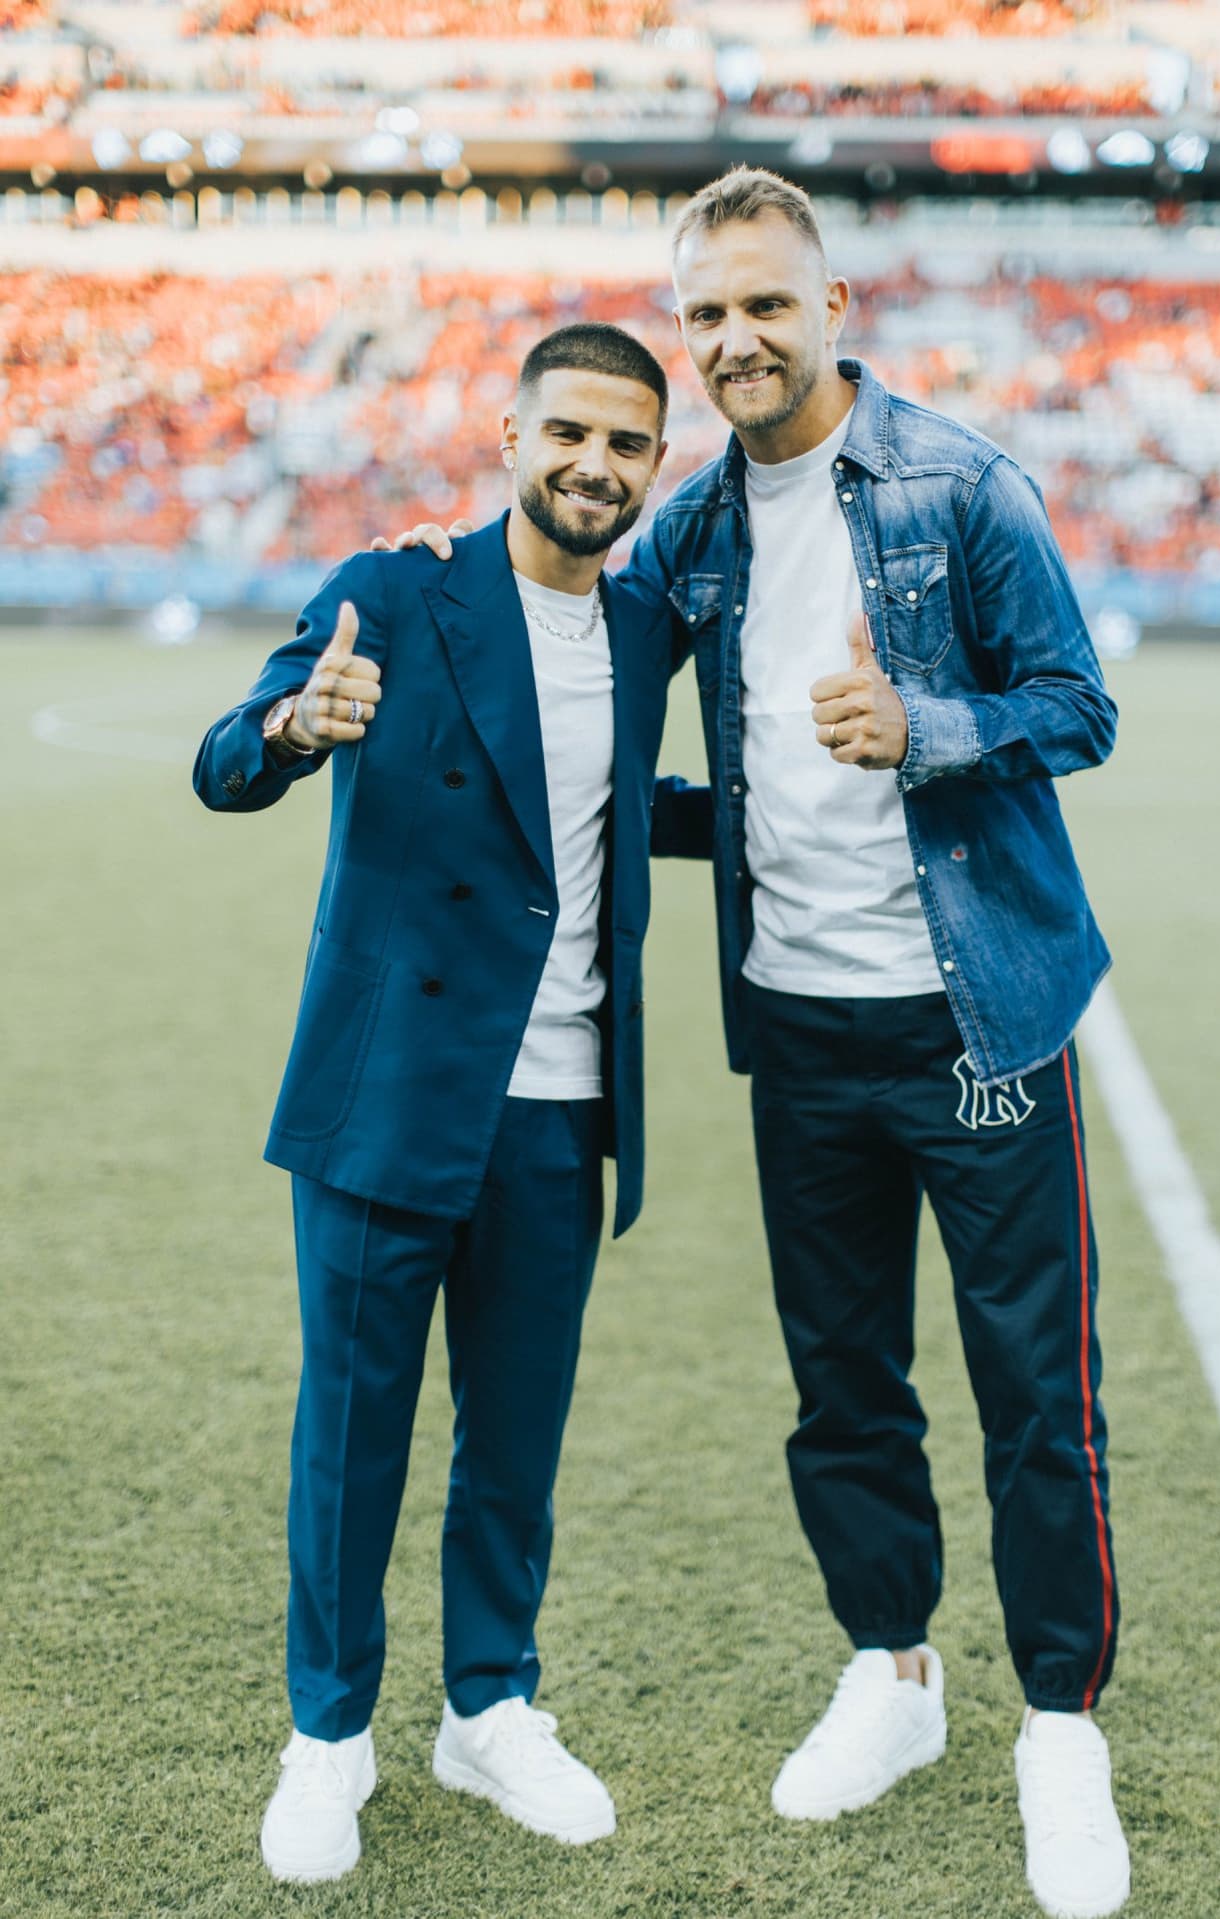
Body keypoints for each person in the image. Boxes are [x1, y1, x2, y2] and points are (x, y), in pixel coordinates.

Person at [393, 170, 1128, 1919]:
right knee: (845, 1389)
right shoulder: (696, 528)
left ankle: (1056, 1731)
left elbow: (1079, 708)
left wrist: (923, 724)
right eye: (705, 313)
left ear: (834, 306)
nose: (734, 340)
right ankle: (893, 1676)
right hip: (798, 1027)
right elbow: (565, 615)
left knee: (1038, 1394)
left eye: (765, 306)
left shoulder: (962, 483)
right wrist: (441, 575)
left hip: (981, 1018)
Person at [193, 323, 708, 1884]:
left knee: (515, 1445)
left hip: (558, 1108)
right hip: (388, 1097)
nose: (594, 466)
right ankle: (326, 1741)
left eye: (627, 445)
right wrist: (295, 729)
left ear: (653, 466)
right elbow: (225, 760)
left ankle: (488, 1708)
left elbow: (606, 812)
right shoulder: (399, 590)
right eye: (568, 433)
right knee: (352, 1436)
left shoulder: (644, 631)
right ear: (507, 431)